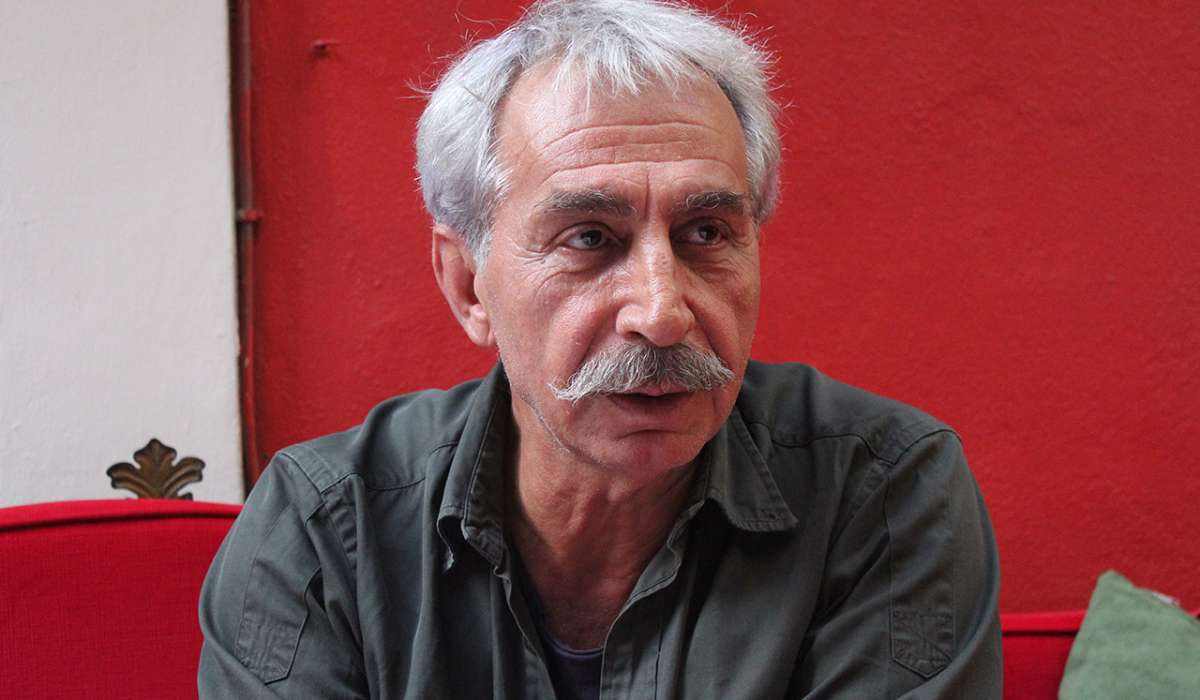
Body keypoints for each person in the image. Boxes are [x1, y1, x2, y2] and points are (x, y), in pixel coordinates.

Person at [198, 0, 1002, 697]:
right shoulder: (327, 529)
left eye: (705, 232)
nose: (661, 313)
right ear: (469, 285)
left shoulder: (880, 490)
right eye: (589, 237)